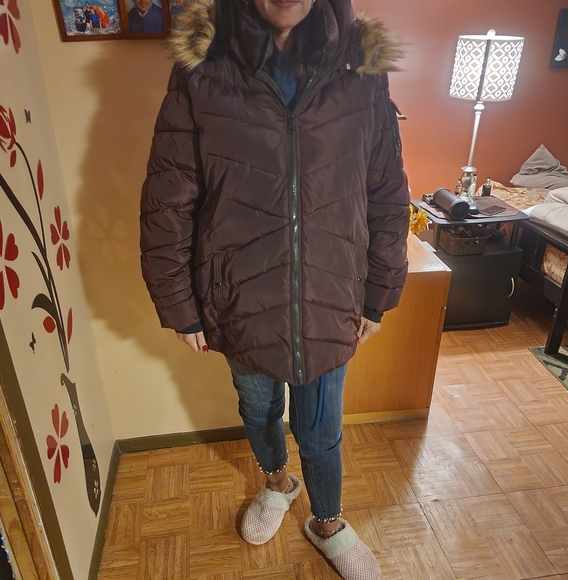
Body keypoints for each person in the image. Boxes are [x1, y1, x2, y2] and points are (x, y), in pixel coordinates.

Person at [140, 0, 409, 578]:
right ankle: (277, 482)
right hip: (239, 296)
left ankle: (328, 521)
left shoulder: (361, 69)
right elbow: (168, 200)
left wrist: (380, 290)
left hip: (332, 295)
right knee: (259, 409)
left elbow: (386, 191)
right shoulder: (202, 69)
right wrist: (180, 307)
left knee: (322, 428)